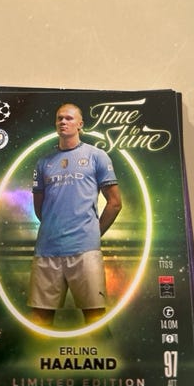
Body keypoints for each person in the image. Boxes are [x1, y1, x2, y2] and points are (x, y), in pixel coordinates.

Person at [28, 103, 122, 327]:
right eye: (59, 118)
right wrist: (53, 228)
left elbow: (115, 203)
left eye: (69, 118)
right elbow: (40, 208)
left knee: (95, 319)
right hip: (47, 250)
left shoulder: (97, 156)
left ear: (80, 124)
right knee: (40, 322)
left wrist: (93, 233)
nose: (63, 121)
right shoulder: (43, 163)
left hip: (85, 251)